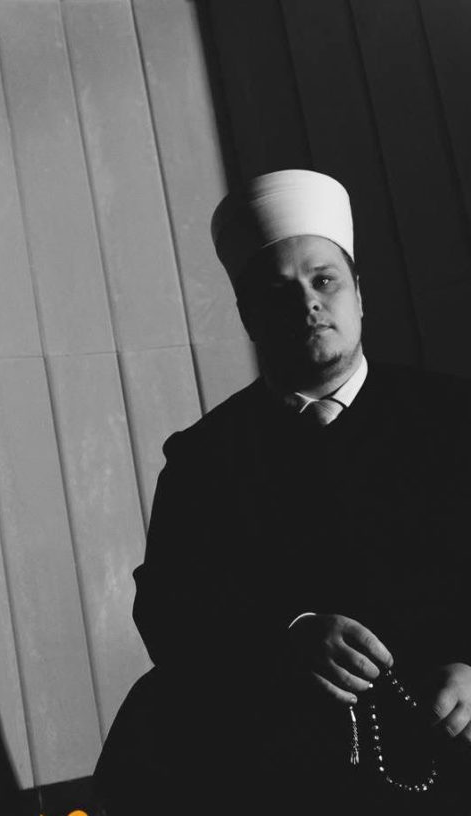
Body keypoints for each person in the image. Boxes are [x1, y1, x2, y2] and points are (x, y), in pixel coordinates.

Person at [94, 169, 471, 814]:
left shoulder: (453, 417)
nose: (308, 304)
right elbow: (167, 611)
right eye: (278, 291)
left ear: (359, 295)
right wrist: (285, 636)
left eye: (324, 281)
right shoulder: (204, 457)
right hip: (279, 775)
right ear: (248, 316)